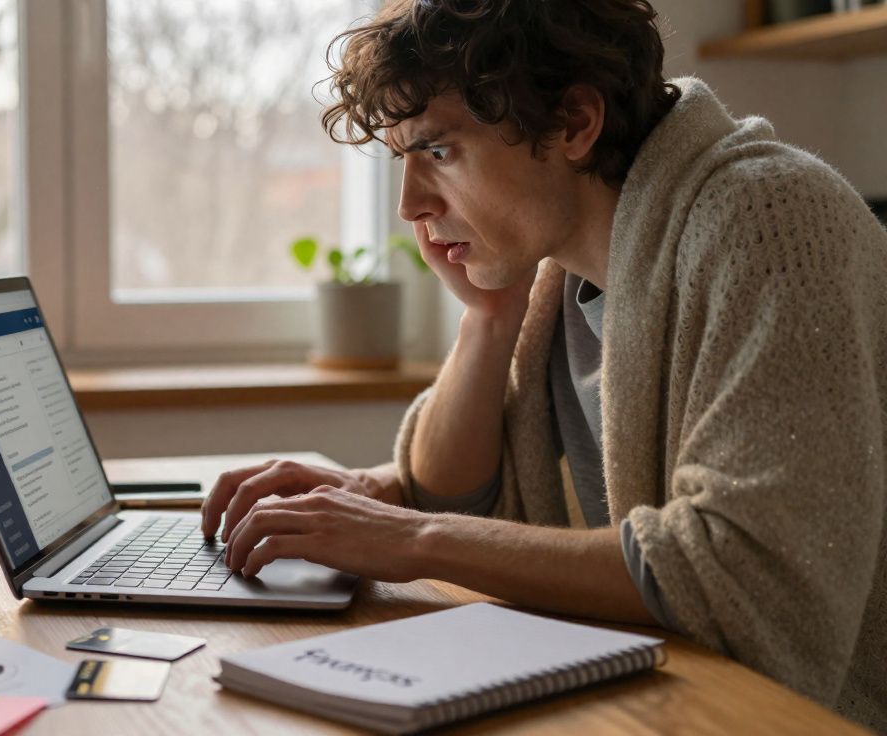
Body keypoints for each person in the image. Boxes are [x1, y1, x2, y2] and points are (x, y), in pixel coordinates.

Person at [200, 0, 887, 728]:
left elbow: (739, 570)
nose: (409, 205)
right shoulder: (564, 267)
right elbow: (450, 498)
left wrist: (405, 539)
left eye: (436, 151)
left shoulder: (770, 220)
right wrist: (487, 320)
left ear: (572, 124)